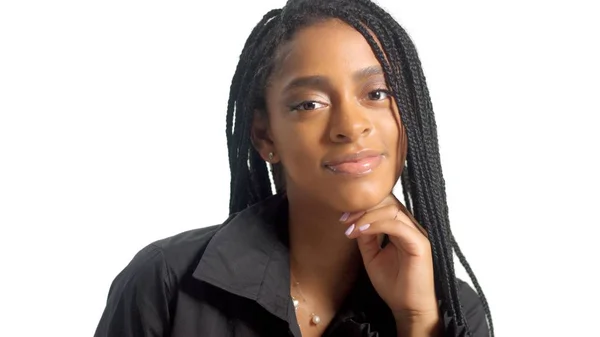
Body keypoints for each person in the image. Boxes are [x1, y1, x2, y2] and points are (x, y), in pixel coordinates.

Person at [94, 0, 494, 336]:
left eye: (376, 93)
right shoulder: (166, 284)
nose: (351, 127)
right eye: (310, 104)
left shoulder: (454, 313)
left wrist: (417, 321)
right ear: (265, 136)